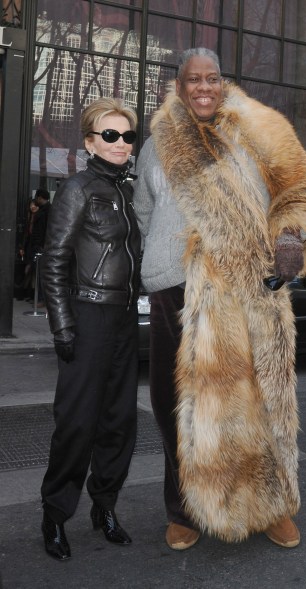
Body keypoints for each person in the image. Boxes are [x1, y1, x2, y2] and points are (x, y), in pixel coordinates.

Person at [133, 48, 306, 551]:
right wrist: (159, 260)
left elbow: (305, 189)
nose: (203, 87)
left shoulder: (260, 127)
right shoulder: (158, 145)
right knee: (174, 407)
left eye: (212, 78)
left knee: (258, 405)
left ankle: (273, 504)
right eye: (192, 79)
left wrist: (292, 237)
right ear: (178, 87)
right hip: (172, 291)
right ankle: (184, 511)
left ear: (223, 82)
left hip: (247, 287)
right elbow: (143, 209)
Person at [40, 97, 141, 561]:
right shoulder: (78, 188)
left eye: (127, 135)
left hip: (123, 320)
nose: (120, 144)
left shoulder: (127, 190)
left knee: (119, 423)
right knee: (77, 425)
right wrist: (63, 328)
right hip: (87, 317)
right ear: (90, 141)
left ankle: (105, 508)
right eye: (110, 135)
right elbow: (55, 260)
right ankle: (55, 516)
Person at [18, 198, 39, 300]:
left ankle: (28, 293)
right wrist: (22, 247)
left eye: (35, 205)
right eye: (31, 205)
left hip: (35, 247)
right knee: (28, 270)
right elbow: (25, 235)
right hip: (29, 247)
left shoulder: (39, 218)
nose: (32, 207)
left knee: (31, 270)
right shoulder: (29, 217)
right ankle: (27, 293)